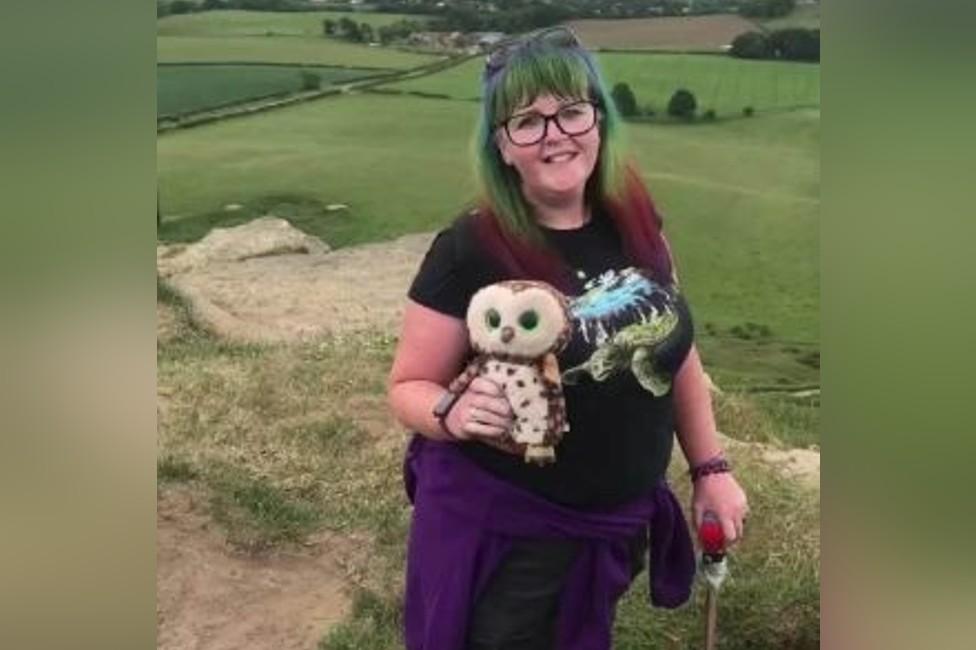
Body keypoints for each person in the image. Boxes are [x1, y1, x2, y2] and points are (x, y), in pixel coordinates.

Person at [387, 27, 748, 650]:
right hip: (509, 535)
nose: (555, 134)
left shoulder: (632, 217)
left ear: (598, 120)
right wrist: (450, 411)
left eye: (571, 111)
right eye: (527, 121)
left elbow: (673, 349)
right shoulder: (469, 248)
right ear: (501, 146)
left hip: (613, 523)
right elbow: (406, 387)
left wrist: (710, 469)